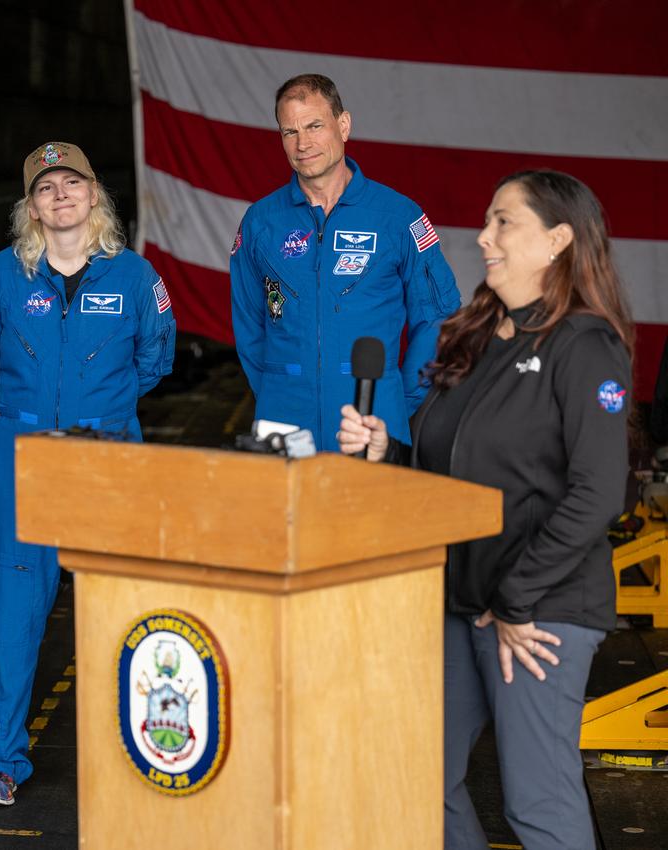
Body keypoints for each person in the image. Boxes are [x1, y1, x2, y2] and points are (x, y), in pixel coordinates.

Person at [337, 170, 632, 850]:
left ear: (557, 240)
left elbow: (600, 491)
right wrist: (389, 451)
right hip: (464, 600)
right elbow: (455, 470)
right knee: (419, 776)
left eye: (504, 222)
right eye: (488, 220)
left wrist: (517, 598)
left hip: (537, 613)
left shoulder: (584, 345)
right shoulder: (478, 336)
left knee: (537, 806)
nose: (483, 237)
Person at [0, 142, 176, 806]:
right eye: (46, 187)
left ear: (94, 194)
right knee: (14, 615)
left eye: (72, 183)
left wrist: (105, 409)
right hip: (24, 459)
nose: (60, 195)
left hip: (107, 457)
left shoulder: (135, 276)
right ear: (30, 207)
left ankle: (139, 756)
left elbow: (156, 356)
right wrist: (6, 421)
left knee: (119, 611)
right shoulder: (1, 276)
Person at [230, 73, 460, 451]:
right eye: (290, 132)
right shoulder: (261, 222)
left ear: (344, 125)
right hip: (283, 416)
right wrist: (278, 385)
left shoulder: (397, 217)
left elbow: (438, 317)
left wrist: (400, 400)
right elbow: (248, 325)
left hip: (371, 415)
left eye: (314, 126)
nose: (303, 143)